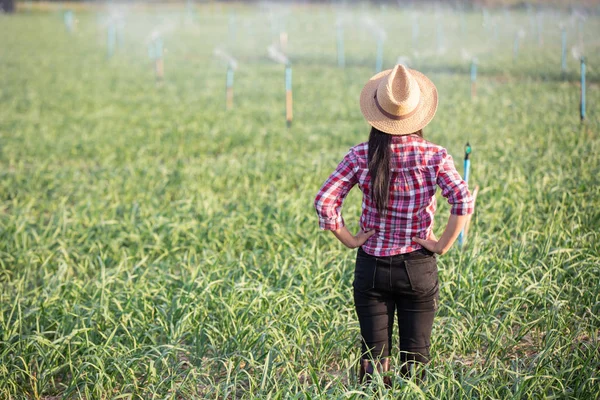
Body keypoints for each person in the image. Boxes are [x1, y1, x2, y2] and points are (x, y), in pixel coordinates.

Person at [314, 65, 474, 386]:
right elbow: (463, 200)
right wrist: (441, 244)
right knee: (416, 359)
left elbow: (325, 201)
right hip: (417, 267)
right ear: (419, 114)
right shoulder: (435, 156)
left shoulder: (361, 154)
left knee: (373, 360)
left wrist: (349, 239)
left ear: (377, 113)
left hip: (371, 266)